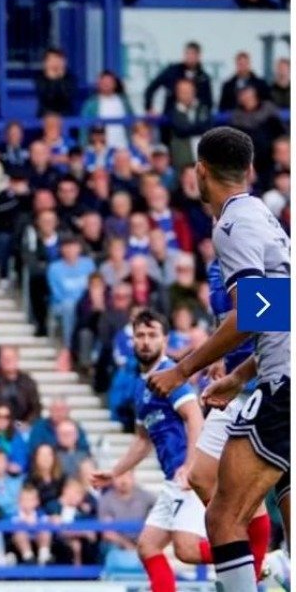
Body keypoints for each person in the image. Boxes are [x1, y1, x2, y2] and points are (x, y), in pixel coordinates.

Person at [147, 129, 290, 592]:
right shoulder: (263, 217)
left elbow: (251, 312)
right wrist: (239, 376)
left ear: (200, 171)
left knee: (224, 517)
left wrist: (181, 368)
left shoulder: (234, 225)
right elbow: (278, 309)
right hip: (277, 374)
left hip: (283, 383)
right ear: (247, 171)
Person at [94, 310, 209, 592]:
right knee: (148, 546)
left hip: (189, 477)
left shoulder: (170, 375)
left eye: (152, 335)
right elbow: (142, 440)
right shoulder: (141, 386)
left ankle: (264, 560)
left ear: (165, 340)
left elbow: (195, 418)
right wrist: (115, 472)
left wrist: (190, 466)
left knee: (187, 550)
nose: (145, 341)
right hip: (173, 479)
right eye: (140, 336)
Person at [186, 258, 274, 579]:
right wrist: (223, 356)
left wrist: (185, 368)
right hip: (236, 384)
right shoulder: (217, 256)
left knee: (256, 498)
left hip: (269, 384)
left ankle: (258, 563)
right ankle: (255, 558)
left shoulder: (254, 235)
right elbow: (230, 316)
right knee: (201, 478)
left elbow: (274, 312)